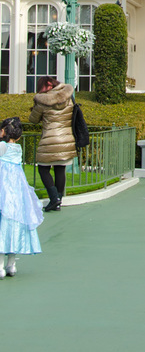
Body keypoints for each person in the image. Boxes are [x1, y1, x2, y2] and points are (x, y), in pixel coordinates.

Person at [0, 117, 43, 277]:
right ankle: (11, 264)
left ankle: (0, 266)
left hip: (4, 191)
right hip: (17, 192)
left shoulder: (2, 147)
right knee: (14, 224)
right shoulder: (18, 148)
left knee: (3, 225)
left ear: (4, 132)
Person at [29, 75, 75, 212]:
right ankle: (58, 201)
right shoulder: (69, 97)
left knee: (43, 169)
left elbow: (33, 119)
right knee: (60, 169)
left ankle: (54, 198)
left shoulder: (43, 101)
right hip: (66, 139)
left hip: (49, 139)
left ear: (48, 85)